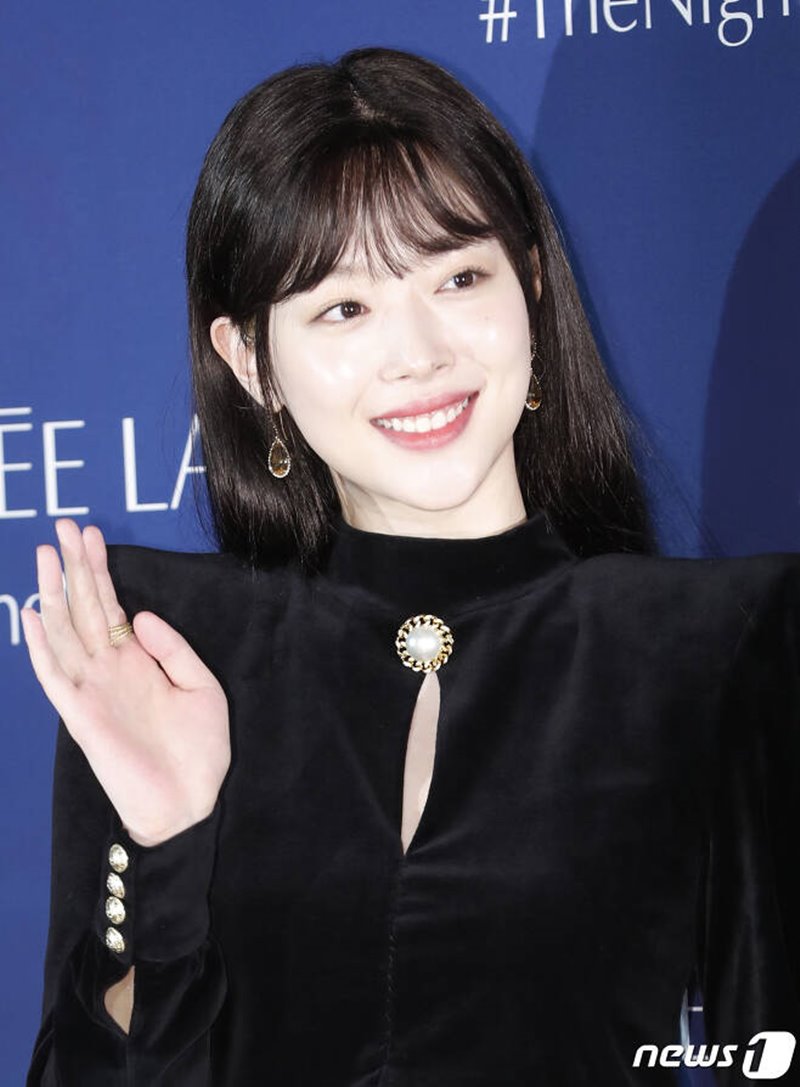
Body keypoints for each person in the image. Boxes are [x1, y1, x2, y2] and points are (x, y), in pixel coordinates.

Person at [22, 45, 799, 1087]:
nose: (420, 353)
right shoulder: (162, 648)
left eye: (459, 277)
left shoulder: (712, 644)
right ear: (251, 361)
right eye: (344, 308)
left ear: (531, 287)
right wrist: (170, 844)